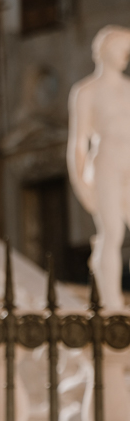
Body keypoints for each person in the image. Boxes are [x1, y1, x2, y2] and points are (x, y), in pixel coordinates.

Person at [68, 25, 130, 309]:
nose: (126, 54)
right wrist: (81, 183)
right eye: (122, 48)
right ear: (105, 50)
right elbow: (78, 141)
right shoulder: (85, 91)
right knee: (112, 231)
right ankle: (113, 304)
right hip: (105, 160)